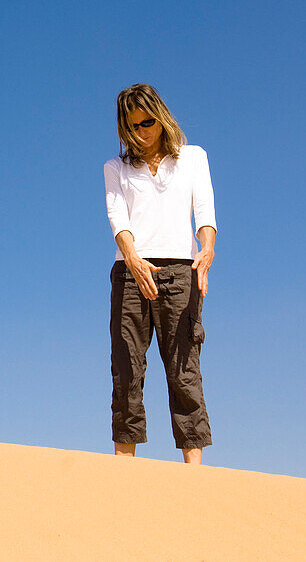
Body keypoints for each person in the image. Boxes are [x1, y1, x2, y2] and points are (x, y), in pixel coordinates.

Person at [103, 84, 216, 465]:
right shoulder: (116, 168)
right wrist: (132, 258)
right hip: (130, 274)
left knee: (184, 372)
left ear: (162, 117)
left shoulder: (193, 158)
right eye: (133, 126)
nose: (142, 131)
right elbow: (117, 217)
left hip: (180, 273)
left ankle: (195, 478)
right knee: (127, 371)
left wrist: (207, 249)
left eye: (148, 122)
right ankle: (123, 470)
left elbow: (204, 210)